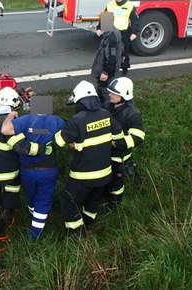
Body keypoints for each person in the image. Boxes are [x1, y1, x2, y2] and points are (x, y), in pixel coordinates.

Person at [0, 87, 50, 237]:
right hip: (8, 172)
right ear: (12, 105)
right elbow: (23, 147)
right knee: (14, 185)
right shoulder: (8, 125)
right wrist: (43, 149)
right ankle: (8, 210)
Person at [53, 81, 123, 236]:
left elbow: (59, 141)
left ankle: (76, 233)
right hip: (105, 174)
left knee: (68, 200)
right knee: (92, 201)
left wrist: (75, 143)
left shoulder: (77, 120)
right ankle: (89, 223)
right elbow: (118, 137)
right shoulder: (106, 114)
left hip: (82, 176)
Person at [1, 96, 65, 240]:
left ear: (34, 107)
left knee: (31, 197)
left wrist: (10, 115)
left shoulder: (26, 120)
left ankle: (32, 215)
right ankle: (34, 235)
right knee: (43, 200)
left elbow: (5, 129)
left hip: (27, 170)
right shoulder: (57, 121)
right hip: (49, 170)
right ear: (48, 108)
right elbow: (69, 138)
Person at [106, 77, 145, 206]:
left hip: (119, 158)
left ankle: (115, 204)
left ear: (124, 95)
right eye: (110, 92)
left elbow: (138, 137)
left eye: (114, 93)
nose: (109, 95)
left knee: (116, 184)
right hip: (105, 154)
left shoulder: (132, 114)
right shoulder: (107, 106)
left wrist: (116, 143)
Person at [96, 0, 139, 75]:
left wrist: (134, 33)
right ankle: (108, 70)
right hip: (112, 32)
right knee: (109, 51)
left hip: (124, 33)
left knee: (124, 52)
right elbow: (105, 18)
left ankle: (125, 69)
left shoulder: (129, 6)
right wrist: (99, 28)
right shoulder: (111, 5)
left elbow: (135, 20)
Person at [91, 30, 122, 108]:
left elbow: (111, 57)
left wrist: (105, 72)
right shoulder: (113, 32)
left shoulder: (111, 36)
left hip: (106, 71)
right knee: (103, 90)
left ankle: (106, 111)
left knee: (105, 92)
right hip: (107, 70)